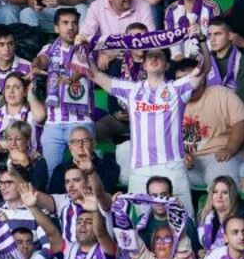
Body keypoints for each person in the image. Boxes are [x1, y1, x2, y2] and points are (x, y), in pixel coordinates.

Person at [89, 22, 208, 214]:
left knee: (184, 224)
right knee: (140, 228)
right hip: (140, 168)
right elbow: (94, 75)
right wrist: (85, 48)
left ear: (167, 63)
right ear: (143, 64)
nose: (153, 58)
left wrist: (201, 40)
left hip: (173, 167)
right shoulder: (131, 90)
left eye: (158, 56)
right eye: (149, 56)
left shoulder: (177, 89)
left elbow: (203, 70)